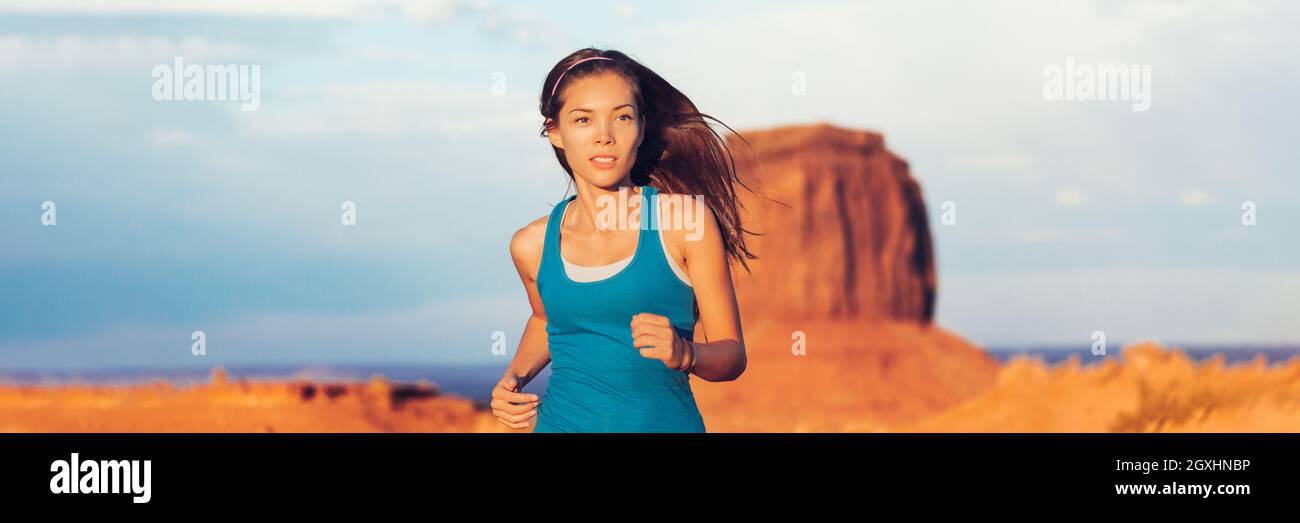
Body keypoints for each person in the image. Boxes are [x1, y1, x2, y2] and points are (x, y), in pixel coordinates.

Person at [491, 48, 755, 432]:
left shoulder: (684, 221)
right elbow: (546, 319)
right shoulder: (531, 244)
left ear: (642, 128)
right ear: (556, 132)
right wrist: (513, 379)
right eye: (583, 120)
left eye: (622, 117)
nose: (604, 137)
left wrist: (687, 354)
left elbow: (732, 355)